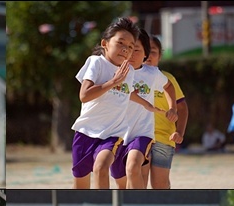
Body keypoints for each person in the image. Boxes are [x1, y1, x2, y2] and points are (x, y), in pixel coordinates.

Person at [70, 17, 163, 189]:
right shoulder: (96, 62)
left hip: (113, 134)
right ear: (105, 43)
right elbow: (84, 95)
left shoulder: (128, 72)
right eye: (120, 43)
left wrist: (147, 105)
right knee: (81, 185)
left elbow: (127, 93)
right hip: (86, 131)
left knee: (101, 166)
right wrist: (113, 82)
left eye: (130, 46)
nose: (125, 49)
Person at [111, 28, 178, 189]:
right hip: (117, 134)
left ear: (145, 54)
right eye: (128, 50)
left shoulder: (152, 73)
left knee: (133, 167)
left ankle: (137, 204)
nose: (131, 54)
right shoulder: (115, 72)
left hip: (142, 134)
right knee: (122, 182)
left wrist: (173, 107)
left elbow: (168, 86)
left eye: (137, 50)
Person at [142, 35, 189, 189]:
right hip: (139, 136)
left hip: (164, 138)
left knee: (160, 185)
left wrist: (180, 132)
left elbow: (182, 108)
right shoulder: (132, 78)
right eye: (144, 51)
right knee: (138, 181)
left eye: (153, 51)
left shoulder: (167, 79)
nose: (148, 55)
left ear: (160, 56)